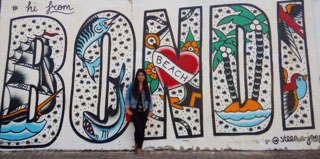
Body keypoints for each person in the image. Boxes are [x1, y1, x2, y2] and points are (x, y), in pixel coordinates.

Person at [125, 69, 153, 154]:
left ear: (145, 77)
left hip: (144, 111)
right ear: (137, 76)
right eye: (139, 75)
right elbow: (127, 98)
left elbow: (150, 99)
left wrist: (150, 110)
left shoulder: (146, 87)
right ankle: (137, 143)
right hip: (134, 111)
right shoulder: (132, 86)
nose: (141, 77)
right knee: (138, 128)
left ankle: (139, 146)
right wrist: (127, 109)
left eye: (143, 75)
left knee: (142, 129)